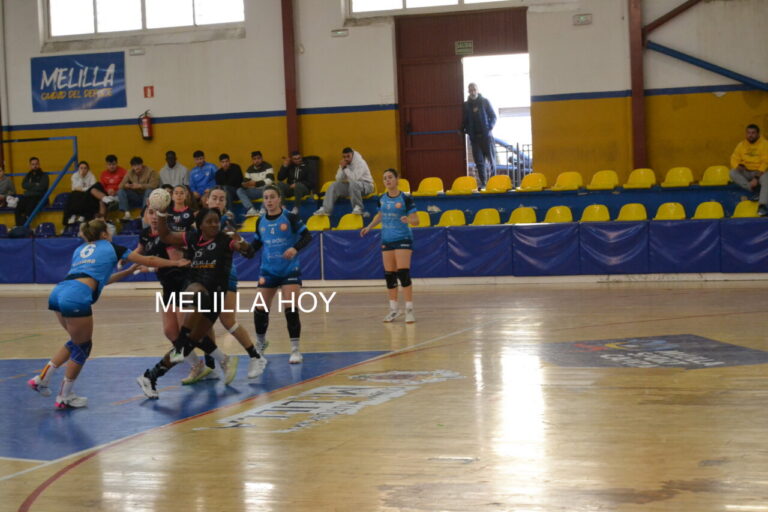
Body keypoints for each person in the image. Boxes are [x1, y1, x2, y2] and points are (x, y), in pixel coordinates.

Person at [27, 219, 189, 408]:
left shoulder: (80, 250)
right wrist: (176, 262)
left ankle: (42, 378)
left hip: (59, 292)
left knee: (75, 342)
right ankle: (64, 396)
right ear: (104, 234)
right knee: (83, 347)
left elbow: (99, 279)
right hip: (76, 297)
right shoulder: (113, 247)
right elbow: (150, 260)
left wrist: (127, 272)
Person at [136, 206, 249, 399]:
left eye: (158, 213)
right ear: (145, 216)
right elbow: (149, 255)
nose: (154, 217)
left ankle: (154, 375)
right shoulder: (147, 235)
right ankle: (215, 362)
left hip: (189, 287)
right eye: (151, 213)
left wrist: (242, 244)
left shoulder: (207, 238)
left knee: (186, 339)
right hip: (171, 287)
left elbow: (171, 256)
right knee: (176, 335)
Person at [184, 186, 267, 380]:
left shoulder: (226, 225)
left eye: (222, 199)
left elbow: (245, 250)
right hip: (202, 276)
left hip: (224, 276)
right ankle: (211, 366)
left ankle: (256, 357)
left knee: (227, 319)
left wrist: (242, 245)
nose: (218, 201)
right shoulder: (197, 224)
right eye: (215, 198)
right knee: (204, 323)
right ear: (207, 200)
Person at [249, 185, 313, 364]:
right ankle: (260, 345)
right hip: (268, 271)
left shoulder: (290, 217)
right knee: (260, 309)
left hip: (289, 270)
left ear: (279, 199)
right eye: (266, 197)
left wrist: (294, 248)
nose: (268, 200)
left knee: (290, 309)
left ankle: (295, 350)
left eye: (272, 197)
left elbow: (307, 236)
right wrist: (244, 249)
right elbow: (256, 244)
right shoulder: (260, 221)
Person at [360, 169, 419, 323]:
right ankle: (394, 309)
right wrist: (369, 227)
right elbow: (380, 215)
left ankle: (409, 309)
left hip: (403, 238)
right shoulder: (381, 199)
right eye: (385, 178)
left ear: (397, 179)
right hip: (387, 239)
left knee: (403, 272)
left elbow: (416, 220)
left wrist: (409, 219)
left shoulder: (406, 198)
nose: (387, 180)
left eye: (390, 177)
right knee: (389, 275)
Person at [313, 147, 374, 217]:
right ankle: (326, 210)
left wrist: (345, 168)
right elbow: (338, 179)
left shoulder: (360, 163)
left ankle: (358, 208)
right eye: (344, 157)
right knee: (334, 185)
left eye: (348, 156)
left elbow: (355, 178)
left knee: (353, 184)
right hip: (353, 187)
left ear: (353, 155)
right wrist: (342, 168)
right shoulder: (344, 164)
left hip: (367, 186)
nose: (346, 159)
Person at [461, 82, 497, 188]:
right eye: (470, 89)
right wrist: (465, 130)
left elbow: (493, 117)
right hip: (475, 138)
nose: (472, 91)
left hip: (487, 137)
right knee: (479, 162)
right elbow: (465, 120)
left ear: (477, 90)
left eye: (474, 89)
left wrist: (489, 127)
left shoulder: (485, 102)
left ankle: (493, 183)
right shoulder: (466, 105)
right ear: (468, 91)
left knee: (491, 161)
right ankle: (484, 183)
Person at [729, 124, 768, 216]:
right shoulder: (741, 145)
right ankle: (753, 189)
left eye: (753, 133)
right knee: (732, 172)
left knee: (767, 178)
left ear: (758, 134)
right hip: (746, 171)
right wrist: (738, 166)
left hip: (760, 172)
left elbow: (765, 163)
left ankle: (762, 205)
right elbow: (733, 158)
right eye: (748, 133)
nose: (750, 135)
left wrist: (756, 178)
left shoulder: (765, 144)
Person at [277, 150, 314, 215]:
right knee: (279, 184)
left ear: (301, 157)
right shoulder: (290, 167)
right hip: (291, 189)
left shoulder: (307, 166)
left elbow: (311, 182)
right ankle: (283, 207)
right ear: (292, 159)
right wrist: (285, 166)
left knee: (298, 186)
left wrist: (297, 184)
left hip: (303, 189)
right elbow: (280, 178)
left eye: (299, 158)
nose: (297, 160)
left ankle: (296, 208)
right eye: (295, 159)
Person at [238, 150, 274, 217]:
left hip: (266, 190)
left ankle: (263, 209)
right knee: (239, 190)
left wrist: (256, 184)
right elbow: (245, 181)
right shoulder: (249, 169)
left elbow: (270, 180)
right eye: (254, 159)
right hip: (255, 191)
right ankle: (251, 209)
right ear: (252, 160)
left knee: (268, 187)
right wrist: (244, 185)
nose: (257, 160)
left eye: (258, 158)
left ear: (262, 158)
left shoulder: (268, 166)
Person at [15, 157, 49, 226]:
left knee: (29, 208)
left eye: (36, 164)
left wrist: (30, 186)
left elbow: (42, 187)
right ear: (30, 165)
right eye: (33, 164)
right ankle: (18, 227)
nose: (35, 166)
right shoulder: (28, 175)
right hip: (27, 196)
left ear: (39, 164)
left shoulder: (44, 175)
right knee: (17, 209)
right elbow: (23, 185)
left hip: (38, 196)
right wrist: (35, 184)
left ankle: (25, 227)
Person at [63, 161, 98, 226]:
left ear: (88, 169)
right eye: (81, 168)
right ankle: (73, 215)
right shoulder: (75, 175)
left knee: (86, 195)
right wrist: (81, 177)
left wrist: (82, 189)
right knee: (74, 195)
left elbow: (93, 188)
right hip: (77, 194)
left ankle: (83, 215)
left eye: (85, 168)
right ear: (78, 169)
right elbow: (74, 188)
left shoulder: (91, 176)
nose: (83, 170)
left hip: (88, 195)